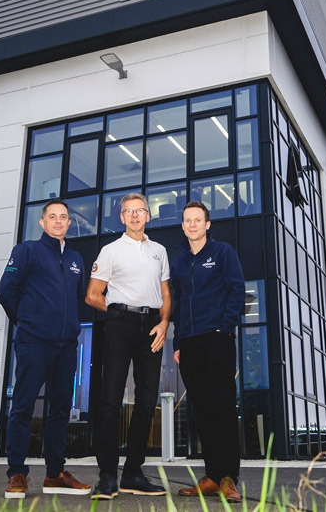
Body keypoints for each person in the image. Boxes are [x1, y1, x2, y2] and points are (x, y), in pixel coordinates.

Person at [0, 198, 91, 499]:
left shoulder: (76, 259)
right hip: (33, 342)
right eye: (53, 216)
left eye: (64, 217)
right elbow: (5, 291)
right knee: (23, 405)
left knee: (60, 409)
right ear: (43, 222)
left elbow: (75, 299)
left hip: (65, 347)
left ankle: (54, 474)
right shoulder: (27, 251)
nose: (59, 221)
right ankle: (17, 474)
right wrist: (27, 322)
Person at [85, 193, 171, 499]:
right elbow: (93, 295)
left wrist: (163, 323)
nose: (134, 215)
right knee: (110, 397)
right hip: (120, 323)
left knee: (147, 401)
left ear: (148, 215)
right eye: (128, 212)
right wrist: (120, 314)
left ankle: (133, 473)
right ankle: (107, 475)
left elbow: (165, 292)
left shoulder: (160, 251)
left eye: (140, 211)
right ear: (122, 218)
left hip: (152, 327)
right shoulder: (110, 251)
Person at [169, 200, 246, 502]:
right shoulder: (179, 261)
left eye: (197, 220)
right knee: (201, 410)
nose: (192, 225)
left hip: (217, 339)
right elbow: (176, 302)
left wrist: (224, 327)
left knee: (223, 407)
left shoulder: (223, 253)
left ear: (207, 224)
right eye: (187, 220)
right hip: (188, 343)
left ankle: (229, 478)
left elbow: (237, 290)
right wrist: (177, 342)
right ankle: (212, 476)